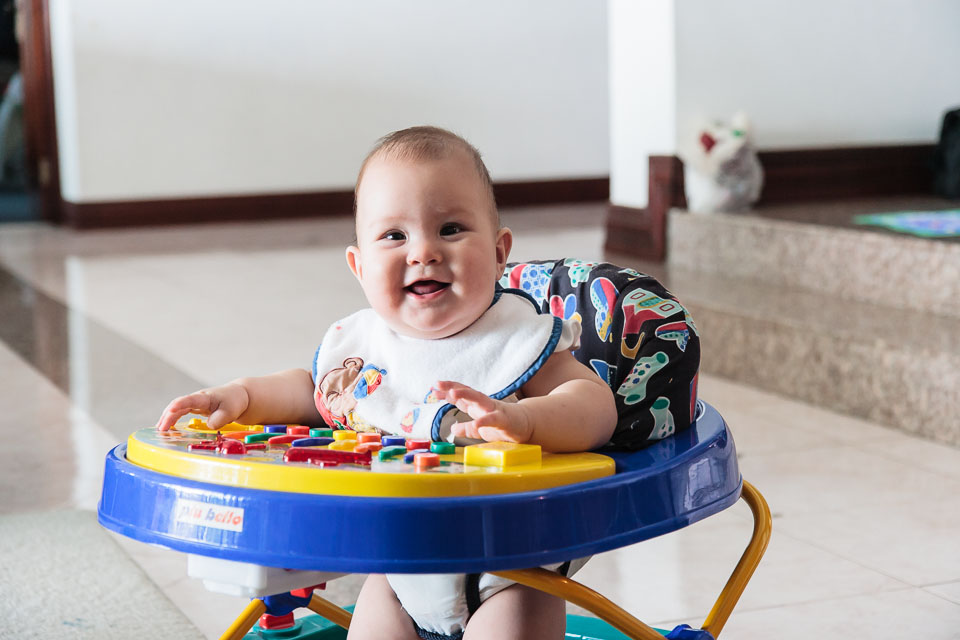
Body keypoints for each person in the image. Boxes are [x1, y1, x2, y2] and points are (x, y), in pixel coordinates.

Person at [156, 126, 619, 640]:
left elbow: (595, 406)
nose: (423, 252)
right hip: (398, 570)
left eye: (451, 229)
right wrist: (242, 395)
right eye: (394, 236)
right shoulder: (364, 346)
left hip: (511, 568)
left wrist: (525, 420)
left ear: (498, 252)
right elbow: (313, 393)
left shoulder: (516, 340)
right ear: (359, 267)